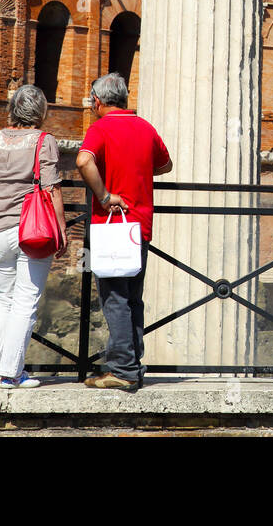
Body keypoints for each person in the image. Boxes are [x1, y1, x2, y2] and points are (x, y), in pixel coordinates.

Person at [0, 84, 67, 390]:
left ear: (11, 109)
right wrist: (62, 229)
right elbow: (52, 187)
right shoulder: (43, 141)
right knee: (25, 302)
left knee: (4, 297)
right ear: (40, 112)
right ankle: (11, 373)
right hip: (31, 230)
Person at [76, 72, 171, 391]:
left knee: (114, 298)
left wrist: (104, 195)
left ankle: (123, 369)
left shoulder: (100, 128)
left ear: (98, 101)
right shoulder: (145, 128)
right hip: (140, 225)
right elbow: (165, 165)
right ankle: (132, 364)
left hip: (111, 225)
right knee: (133, 298)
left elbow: (84, 160)